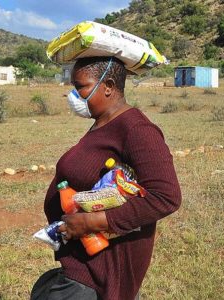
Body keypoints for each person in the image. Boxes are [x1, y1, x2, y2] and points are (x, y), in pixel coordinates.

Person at [31, 56, 181, 300]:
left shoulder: (136, 130)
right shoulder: (103, 124)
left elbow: (166, 197)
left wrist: (92, 222)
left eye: (81, 86)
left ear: (109, 86)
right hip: (82, 258)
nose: (74, 95)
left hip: (100, 269)